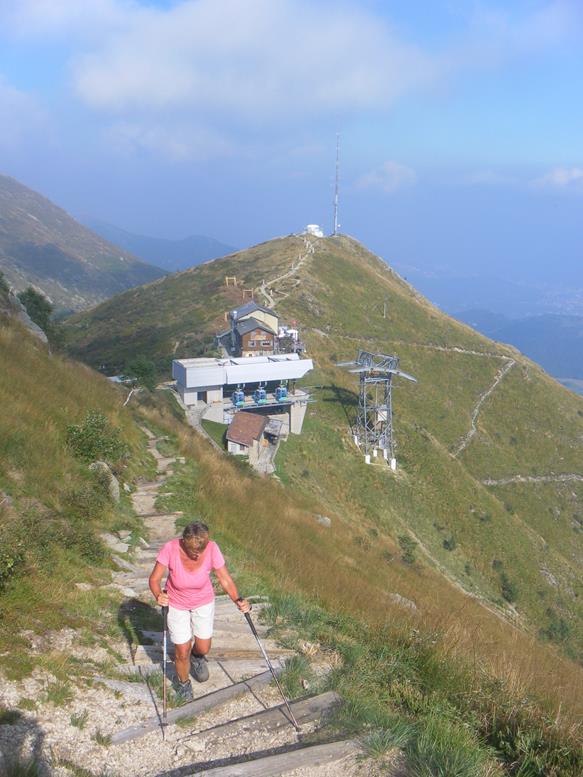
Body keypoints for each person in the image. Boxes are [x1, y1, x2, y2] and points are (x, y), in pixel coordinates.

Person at [149, 521, 250, 703]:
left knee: (203, 647)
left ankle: (196, 657)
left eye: (200, 550)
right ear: (184, 541)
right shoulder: (170, 548)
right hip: (176, 603)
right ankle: (183, 683)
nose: (197, 554)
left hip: (203, 601)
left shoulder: (212, 548)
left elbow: (225, 579)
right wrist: (158, 595)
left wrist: (238, 600)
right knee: (182, 651)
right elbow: (154, 579)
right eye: (192, 550)